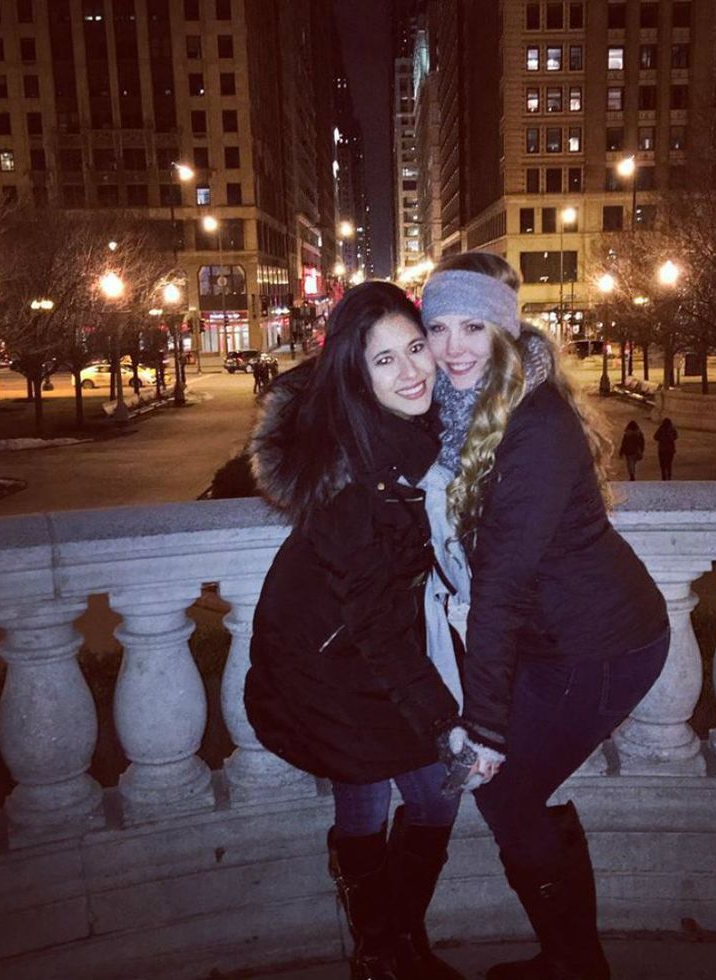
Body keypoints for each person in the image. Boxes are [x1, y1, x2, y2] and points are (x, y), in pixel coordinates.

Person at [422, 253, 669, 980]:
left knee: (505, 789)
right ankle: (573, 959)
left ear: (504, 330)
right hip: (554, 635)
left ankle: (573, 963)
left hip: (597, 644)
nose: (453, 347)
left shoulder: (534, 425)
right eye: (437, 328)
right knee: (518, 792)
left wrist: (485, 724)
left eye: (473, 327)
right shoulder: (463, 409)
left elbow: (502, 581)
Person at [244, 282, 467, 980]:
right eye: (384, 360)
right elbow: (368, 614)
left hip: (373, 640)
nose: (412, 371)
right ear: (355, 374)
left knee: (434, 798)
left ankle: (399, 941)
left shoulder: (417, 429)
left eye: (415, 347)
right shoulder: (350, 470)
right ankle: (380, 955)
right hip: (326, 659)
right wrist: (444, 719)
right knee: (368, 796)